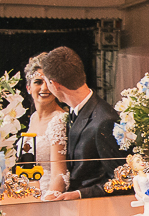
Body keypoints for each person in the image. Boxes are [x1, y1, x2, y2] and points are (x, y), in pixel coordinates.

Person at [38, 46, 126, 200]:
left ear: (55, 84)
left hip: (93, 211)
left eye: (46, 82)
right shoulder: (71, 113)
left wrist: (80, 194)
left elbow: (123, 180)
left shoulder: (104, 121)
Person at [23, 55, 68, 196]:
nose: (44, 88)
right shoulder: (34, 118)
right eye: (38, 82)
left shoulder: (59, 120)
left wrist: (46, 202)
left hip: (46, 195)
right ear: (28, 88)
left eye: (48, 82)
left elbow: (59, 175)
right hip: (27, 194)